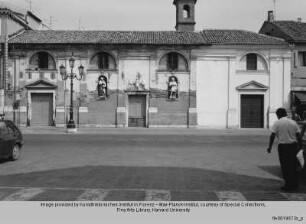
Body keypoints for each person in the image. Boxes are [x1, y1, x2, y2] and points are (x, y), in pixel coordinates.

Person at [267, 108, 303, 192]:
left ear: (278, 115)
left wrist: (270, 147)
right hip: (293, 147)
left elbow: (272, 135)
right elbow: (298, 136)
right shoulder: (293, 122)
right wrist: (300, 148)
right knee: (293, 166)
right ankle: (295, 185)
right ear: (285, 113)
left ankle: (288, 185)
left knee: (285, 167)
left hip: (283, 148)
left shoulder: (277, 123)